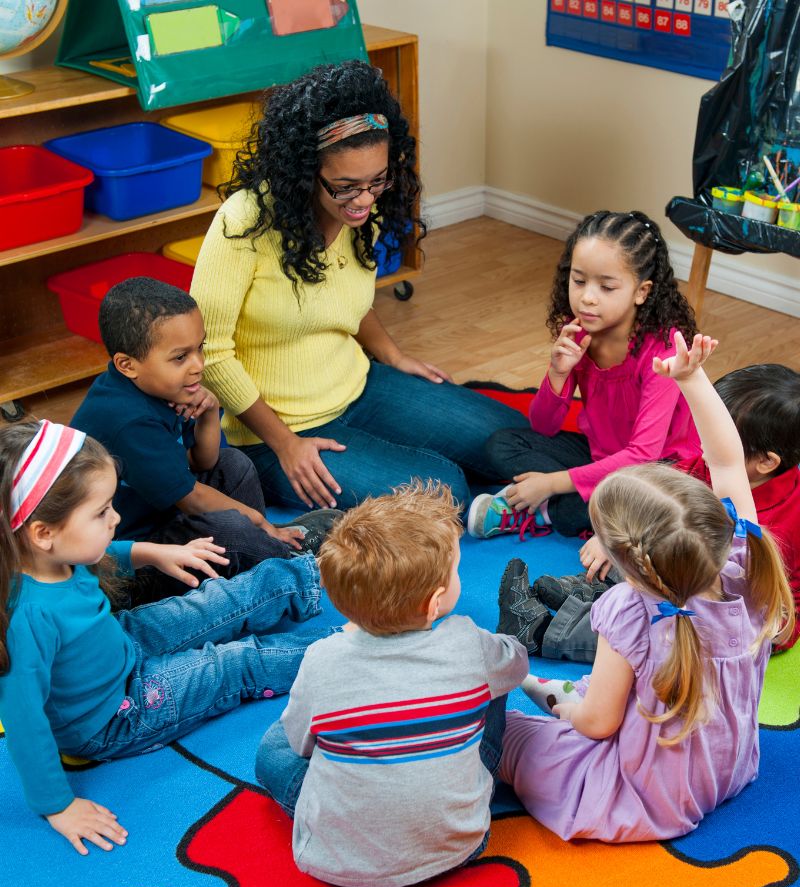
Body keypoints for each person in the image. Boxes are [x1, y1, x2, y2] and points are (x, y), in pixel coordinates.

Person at [498, 333, 795, 843]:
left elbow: (595, 726)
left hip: (647, 798)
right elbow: (727, 463)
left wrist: (564, 714)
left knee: (507, 735)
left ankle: (551, 695)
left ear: (624, 566)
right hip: (729, 769)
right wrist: (691, 378)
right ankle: (558, 691)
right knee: (604, 692)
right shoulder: (750, 563)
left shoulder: (625, 611)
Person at [190, 59, 521, 513]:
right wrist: (286, 444)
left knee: (511, 441)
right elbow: (209, 351)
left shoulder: (362, 208)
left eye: (376, 181)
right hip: (272, 431)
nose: (364, 199)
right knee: (445, 494)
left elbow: (350, 300)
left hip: (358, 387)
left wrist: (393, 356)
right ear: (305, 171)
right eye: (346, 186)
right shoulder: (245, 221)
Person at [0, 421, 341, 855]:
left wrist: (152, 552)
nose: (116, 517)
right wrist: (57, 806)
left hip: (121, 643)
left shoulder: (56, 555)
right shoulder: (27, 616)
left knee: (219, 600)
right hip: (115, 715)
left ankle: (327, 573)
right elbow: (24, 720)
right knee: (232, 664)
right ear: (43, 533)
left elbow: (102, 555)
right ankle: (347, 651)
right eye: (101, 512)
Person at [254, 481, 528, 887]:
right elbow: (517, 664)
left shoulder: (322, 658)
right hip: (463, 842)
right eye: (455, 571)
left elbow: (299, 746)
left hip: (337, 856)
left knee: (273, 749)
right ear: (435, 603)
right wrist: (502, 643)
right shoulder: (467, 641)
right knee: (495, 673)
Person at [500, 362, 800, 658]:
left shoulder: (788, 520)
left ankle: (541, 632)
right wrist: (612, 538)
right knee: (641, 541)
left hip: (739, 617)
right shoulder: (701, 467)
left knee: (655, 628)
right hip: (683, 575)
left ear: (766, 462)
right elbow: (652, 499)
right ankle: (591, 591)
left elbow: (764, 604)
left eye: (713, 439)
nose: (701, 445)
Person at [72, 277, 340, 603]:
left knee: (235, 465)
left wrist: (210, 412)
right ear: (127, 365)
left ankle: (264, 555)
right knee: (233, 526)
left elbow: (206, 462)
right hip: (129, 563)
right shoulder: (128, 420)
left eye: (200, 348)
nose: (198, 365)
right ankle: (283, 563)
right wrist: (258, 522)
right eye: (180, 357)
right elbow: (192, 499)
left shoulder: (160, 386)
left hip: (161, 516)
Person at [467, 210, 700, 540]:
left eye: (606, 287)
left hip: (658, 472)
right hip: (599, 456)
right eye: (578, 281)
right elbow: (543, 426)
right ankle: (582, 506)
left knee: (643, 504)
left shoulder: (662, 351)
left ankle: (544, 510)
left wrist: (550, 483)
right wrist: (557, 373)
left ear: (642, 291)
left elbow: (642, 456)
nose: (587, 298)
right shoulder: (578, 331)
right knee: (501, 445)